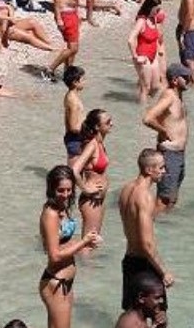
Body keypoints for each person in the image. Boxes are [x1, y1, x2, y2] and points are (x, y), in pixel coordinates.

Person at [39, 165, 101, 328]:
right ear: (51, 189)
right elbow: (54, 255)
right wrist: (83, 242)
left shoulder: (62, 209)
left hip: (64, 283)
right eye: (60, 190)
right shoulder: (50, 214)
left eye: (69, 190)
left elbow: (62, 242)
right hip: (55, 283)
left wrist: (87, 240)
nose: (65, 194)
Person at [120, 148, 175, 311]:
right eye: (161, 167)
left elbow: (131, 229)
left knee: (132, 316)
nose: (164, 171)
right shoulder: (145, 196)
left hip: (129, 260)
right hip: (143, 264)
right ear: (149, 169)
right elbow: (146, 245)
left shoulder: (126, 190)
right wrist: (164, 272)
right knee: (159, 318)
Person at [142, 65, 192, 214]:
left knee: (171, 198)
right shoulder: (169, 96)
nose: (189, 80)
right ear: (175, 80)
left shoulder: (178, 97)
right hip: (169, 154)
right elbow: (147, 118)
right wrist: (163, 131)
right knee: (164, 199)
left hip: (178, 154)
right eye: (186, 77)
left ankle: (165, 231)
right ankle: (151, 226)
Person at [71, 108, 116, 237]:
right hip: (91, 199)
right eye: (108, 122)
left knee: (93, 242)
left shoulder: (100, 144)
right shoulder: (92, 145)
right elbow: (74, 170)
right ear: (97, 126)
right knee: (88, 244)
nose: (111, 124)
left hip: (98, 199)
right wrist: (85, 189)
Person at [128, 0, 167, 105]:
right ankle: (142, 111)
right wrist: (135, 57)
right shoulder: (141, 21)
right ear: (150, 8)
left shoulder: (153, 19)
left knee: (156, 87)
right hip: (143, 57)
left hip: (153, 57)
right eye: (157, 10)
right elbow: (130, 40)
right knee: (146, 87)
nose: (158, 12)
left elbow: (156, 37)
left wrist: (159, 49)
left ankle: (142, 101)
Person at [61, 67, 87, 157]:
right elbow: (73, 127)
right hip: (75, 140)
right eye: (83, 79)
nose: (85, 82)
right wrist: (89, 130)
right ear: (75, 82)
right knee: (75, 169)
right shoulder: (73, 101)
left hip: (74, 139)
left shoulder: (70, 96)